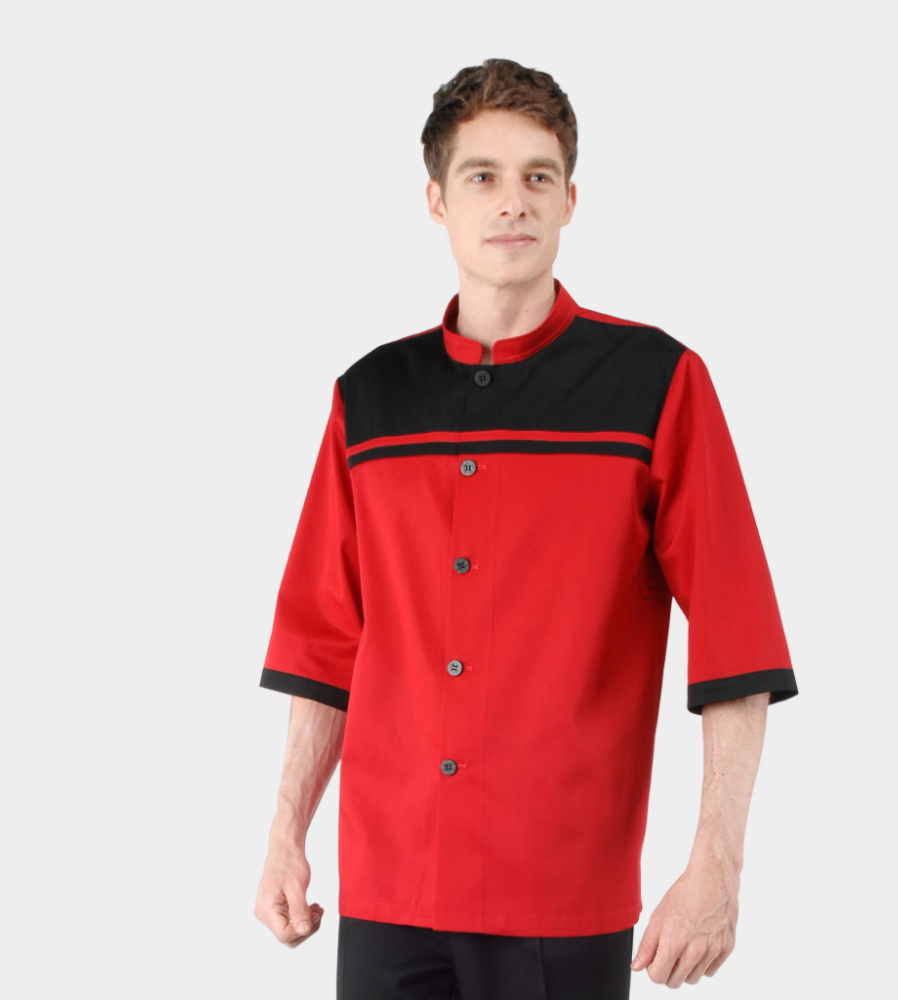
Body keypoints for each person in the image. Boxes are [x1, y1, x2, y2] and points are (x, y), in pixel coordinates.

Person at [253, 57, 798, 998]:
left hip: (560, 892)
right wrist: (284, 834)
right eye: (483, 176)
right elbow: (325, 642)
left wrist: (718, 866)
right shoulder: (370, 397)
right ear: (437, 200)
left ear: (570, 200)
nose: (513, 201)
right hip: (387, 888)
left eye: (538, 176)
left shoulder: (656, 385)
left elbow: (736, 636)